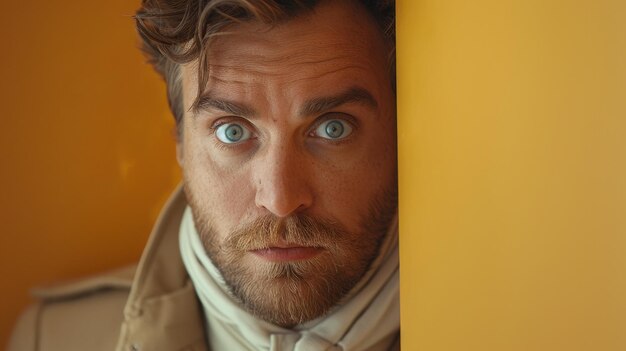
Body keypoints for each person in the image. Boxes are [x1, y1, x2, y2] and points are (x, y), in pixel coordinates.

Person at [8, 0, 398, 350]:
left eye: (334, 128)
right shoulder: (52, 339)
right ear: (179, 143)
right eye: (233, 131)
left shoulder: (461, 322)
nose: (280, 199)